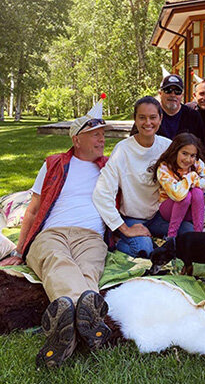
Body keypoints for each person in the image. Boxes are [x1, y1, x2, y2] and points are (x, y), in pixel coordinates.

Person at [0, 99, 111, 368]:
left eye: (102, 134)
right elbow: (34, 208)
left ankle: (67, 329)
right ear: (77, 140)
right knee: (57, 261)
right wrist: (19, 248)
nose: (102, 139)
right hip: (52, 233)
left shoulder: (109, 167)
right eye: (95, 134)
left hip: (91, 236)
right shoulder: (54, 165)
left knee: (88, 268)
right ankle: (88, 322)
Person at [92, 96, 194, 259]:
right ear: (135, 120)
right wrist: (125, 228)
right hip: (133, 217)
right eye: (142, 117)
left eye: (153, 117)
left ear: (160, 119)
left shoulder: (167, 146)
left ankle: (157, 244)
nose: (148, 122)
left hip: (160, 216)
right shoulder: (122, 150)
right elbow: (101, 193)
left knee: (189, 233)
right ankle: (117, 241)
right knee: (145, 251)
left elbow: (193, 165)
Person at [151, 133, 205, 238]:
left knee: (197, 192)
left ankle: (198, 234)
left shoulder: (196, 163)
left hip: (190, 210)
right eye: (184, 153)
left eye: (192, 155)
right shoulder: (164, 168)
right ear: (175, 151)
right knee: (185, 196)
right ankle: (171, 236)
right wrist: (190, 177)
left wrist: (193, 181)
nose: (188, 159)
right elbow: (177, 194)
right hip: (169, 210)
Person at [156, 74, 205, 143]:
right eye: (168, 90)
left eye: (177, 91)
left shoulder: (193, 116)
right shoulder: (151, 114)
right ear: (160, 93)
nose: (173, 95)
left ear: (182, 95)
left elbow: (200, 146)